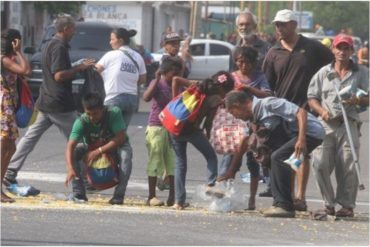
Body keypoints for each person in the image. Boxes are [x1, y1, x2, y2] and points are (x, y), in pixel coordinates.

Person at [4, 15, 95, 193]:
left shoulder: (49, 44)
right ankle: (83, 180)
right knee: (79, 139)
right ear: (66, 29)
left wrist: (76, 64)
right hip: (59, 103)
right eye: (73, 29)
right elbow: (58, 75)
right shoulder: (59, 46)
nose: (75, 32)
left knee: (30, 137)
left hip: (45, 100)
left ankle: (10, 171)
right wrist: (79, 68)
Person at [262, 9, 334, 211]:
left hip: (306, 106)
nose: (279, 28)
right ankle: (288, 195)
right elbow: (267, 83)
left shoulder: (311, 47)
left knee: (302, 152)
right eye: (277, 24)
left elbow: (333, 65)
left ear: (294, 24)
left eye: (283, 24)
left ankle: (300, 197)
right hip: (284, 110)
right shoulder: (273, 51)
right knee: (285, 152)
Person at [220, 90, 325, 218]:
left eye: (232, 112)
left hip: (311, 133)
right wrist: (231, 170)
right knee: (270, 159)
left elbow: (301, 112)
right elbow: (244, 143)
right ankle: (281, 203)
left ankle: (284, 206)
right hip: (294, 136)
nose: (235, 117)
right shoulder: (252, 119)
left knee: (278, 157)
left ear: (238, 105)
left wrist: (301, 139)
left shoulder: (268, 104)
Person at [307, 34, 369, 217]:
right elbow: (312, 98)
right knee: (319, 164)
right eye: (339, 48)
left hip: (348, 123)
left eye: (346, 48)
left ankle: (347, 206)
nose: (342, 52)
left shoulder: (362, 72)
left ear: (351, 51)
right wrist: (322, 112)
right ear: (333, 50)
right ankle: (328, 203)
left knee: (349, 165)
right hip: (325, 124)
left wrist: (358, 99)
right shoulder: (324, 72)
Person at [170, 71, 235, 210]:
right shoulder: (217, 99)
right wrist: (208, 134)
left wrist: (174, 102)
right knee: (211, 157)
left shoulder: (199, 86)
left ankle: (178, 202)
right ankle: (211, 185)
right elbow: (208, 123)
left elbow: (176, 78)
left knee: (180, 164)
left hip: (175, 126)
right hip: (191, 130)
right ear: (223, 89)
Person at [219, 46, 272, 210]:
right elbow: (221, 94)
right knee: (229, 159)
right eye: (240, 62)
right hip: (233, 124)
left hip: (253, 123)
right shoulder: (231, 77)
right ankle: (224, 195)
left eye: (247, 62)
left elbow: (268, 94)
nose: (243, 66)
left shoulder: (259, 77)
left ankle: (252, 199)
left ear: (253, 63)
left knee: (253, 161)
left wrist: (249, 89)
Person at [65, 93, 132, 204]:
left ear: (103, 109)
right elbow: (70, 146)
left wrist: (98, 151)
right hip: (92, 147)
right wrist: (70, 168)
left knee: (126, 156)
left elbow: (121, 137)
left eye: (95, 114)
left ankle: (118, 196)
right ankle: (79, 193)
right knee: (75, 152)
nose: (92, 117)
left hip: (116, 146)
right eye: (88, 114)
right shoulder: (81, 121)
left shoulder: (113, 113)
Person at [142, 57, 183, 207]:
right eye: (173, 73)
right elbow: (146, 97)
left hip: (172, 127)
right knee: (156, 159)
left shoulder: (179, 86)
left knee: (172, 163)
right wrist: (156, 78)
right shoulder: (158, 83)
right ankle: (151, 196)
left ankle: (173, 196)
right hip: (156, 127)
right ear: (165, 72)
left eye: (179, 73)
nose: (176, 75)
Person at [1, 29, 31, 203]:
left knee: (10, 147)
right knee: (6, 146)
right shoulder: (4, 60)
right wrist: (19, 52)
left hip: (7, 105)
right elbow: (25, 70)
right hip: (5, 106)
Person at [95, 28, 147, 128]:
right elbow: (143, 79)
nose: (110, 42)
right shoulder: (138, 56)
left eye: (112, 39)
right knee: (121, 132)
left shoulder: (111, 55)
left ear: (120, 41)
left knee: (108, 132)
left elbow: (95, 71)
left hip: (114, 98)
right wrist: (128, 82)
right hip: (132, 99)